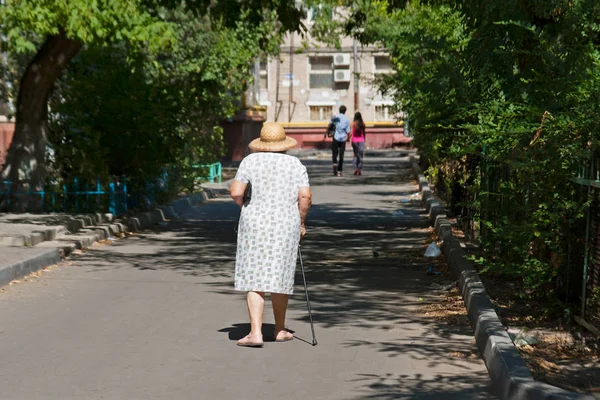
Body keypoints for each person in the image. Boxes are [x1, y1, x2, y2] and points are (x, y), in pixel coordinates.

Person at [229, 122, 312, 348]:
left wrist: (247, 206)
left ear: (262, 143)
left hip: (254, 223)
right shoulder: (295, 165)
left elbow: (236, 192)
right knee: (280, 273)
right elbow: (305, 197)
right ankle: (279, 329)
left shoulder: (250, 161)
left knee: (255, 276)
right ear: (284, 144)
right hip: (286, 224)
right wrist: (301, 222)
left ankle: (255, 333)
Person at [329, 105, 350, 177]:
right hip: (343, 139)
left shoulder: (335, 117)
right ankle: (339, 171)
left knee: (334, 153)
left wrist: (326, 133)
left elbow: (329, 125)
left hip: (336, 137)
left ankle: (335, 163)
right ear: (345, 111)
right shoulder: (347, 119)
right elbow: (348, 131)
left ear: (339, 110)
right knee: (341, 155)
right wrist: (348, 138)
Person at [351, 111, 366, 176]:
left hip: (354, 140)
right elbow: (364, 133)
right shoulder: (362, 124)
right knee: (360, 155)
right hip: (361, 140)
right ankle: (359, 169)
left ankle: (355, 168)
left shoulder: (352, 123)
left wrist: (348, 138)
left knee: (355, 154)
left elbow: (351, 132)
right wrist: (364, 139)